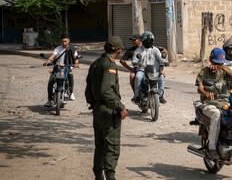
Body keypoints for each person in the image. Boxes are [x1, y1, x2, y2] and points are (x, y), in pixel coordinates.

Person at [85, 36, 128, 180]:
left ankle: (98, 175)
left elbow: (88, 89)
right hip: (109, 112)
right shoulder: (109, 65)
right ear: (119, 50)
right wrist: (120, 107)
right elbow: (106, 91)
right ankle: (110, 176)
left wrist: (94, 104)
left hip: (97, 110)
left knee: (100, 146)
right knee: (112, 147)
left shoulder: (96, 63)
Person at [195, 48, 232, 159]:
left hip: (225, 102)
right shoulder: (204, 72)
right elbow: (199, 89)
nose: (217, 65)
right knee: (217, 114)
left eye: (220, 63)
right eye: (216, 62)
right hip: (208, 104)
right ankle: (211, 148)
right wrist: (206, 93)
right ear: (211, 61)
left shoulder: (224, 71)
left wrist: (223, 67)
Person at [43, 33, 79, 107]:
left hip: (67, 67)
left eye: (65, 41)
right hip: (57, 68)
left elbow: (76, 58)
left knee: (71, 77)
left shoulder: (72, 48)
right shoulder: (58, 48)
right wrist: (48, 61)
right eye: (62, 41)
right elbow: (53, 56)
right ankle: (50, 100)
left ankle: (71, 93)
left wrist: (76, 63)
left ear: (68, 41)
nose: (64, 43)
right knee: (50, 82)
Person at [132, 31, 167, 104]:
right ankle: (137, 96)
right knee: (138, 77)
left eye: (150, 40)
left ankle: (161, 95)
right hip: (142, 70)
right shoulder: (138, 50)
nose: (148, 42)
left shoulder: (156, 50)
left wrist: (163, 65)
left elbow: (161, 60)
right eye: (146, 41)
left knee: (161, 77)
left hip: (154, 70)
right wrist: (135, 63)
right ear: (143, 41)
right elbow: (134, 60)